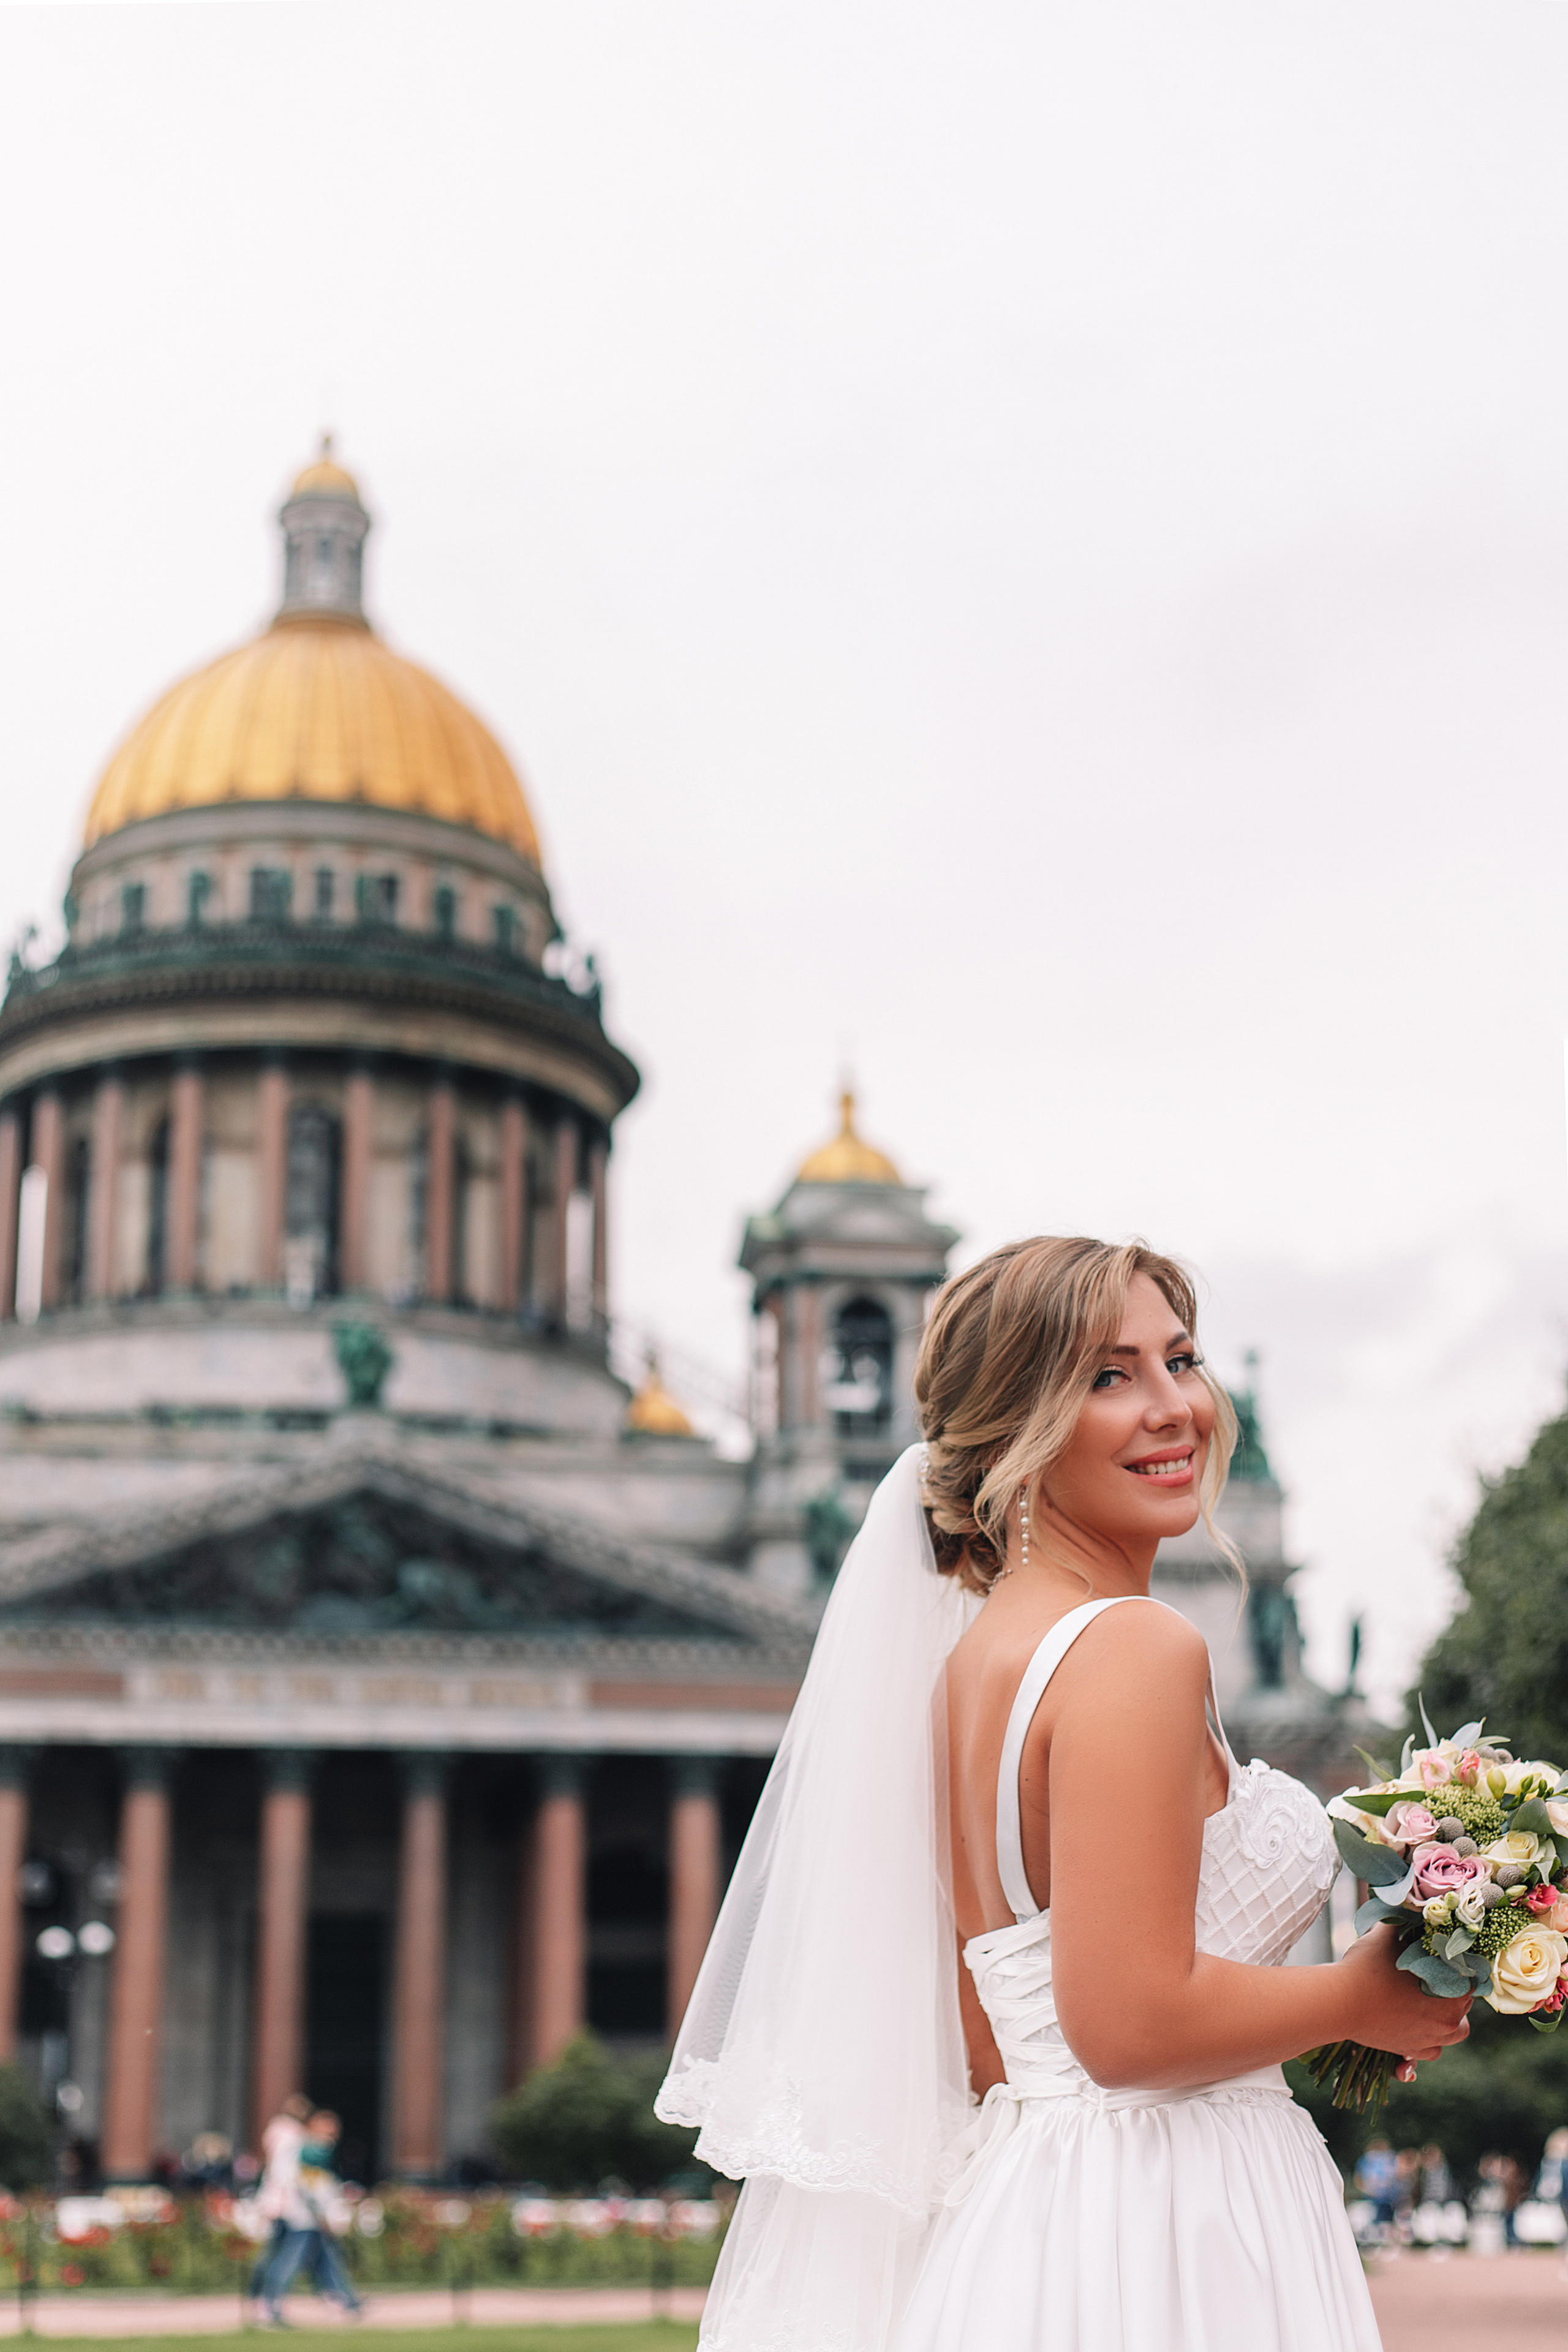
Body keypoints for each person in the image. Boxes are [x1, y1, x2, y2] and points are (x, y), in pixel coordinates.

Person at [658, 1237, 1472, 2351]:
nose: (1172, 1406)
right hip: (1172, 2220)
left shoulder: (964, 1672)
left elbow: (992, 2044)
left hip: (1033, 2209)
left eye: (1180, 1360)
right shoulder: (1135, 1648)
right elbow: (1128, 2025)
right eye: (1106, 1376)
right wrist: (1362, 1999)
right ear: (1014, 1428)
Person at [258, 2110, 363, 2320]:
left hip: (305, 2215)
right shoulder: (309, 2150)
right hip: (301, 2216)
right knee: (288, 2261)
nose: (332, 2134)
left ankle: (344, 2298)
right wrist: (325, 2211)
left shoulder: (310, 2148)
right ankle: (269, 2306)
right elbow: (307, 2184)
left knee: (325, 2260)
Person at [249, 2093, 314, 2324]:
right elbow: (285, 2173)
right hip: (288, 2204)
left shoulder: (275, 2132)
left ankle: (257, 2301)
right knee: (286, 2258)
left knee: (271, 2254)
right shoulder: (293, 2136)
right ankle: (271, 2304)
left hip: (274, 2200)